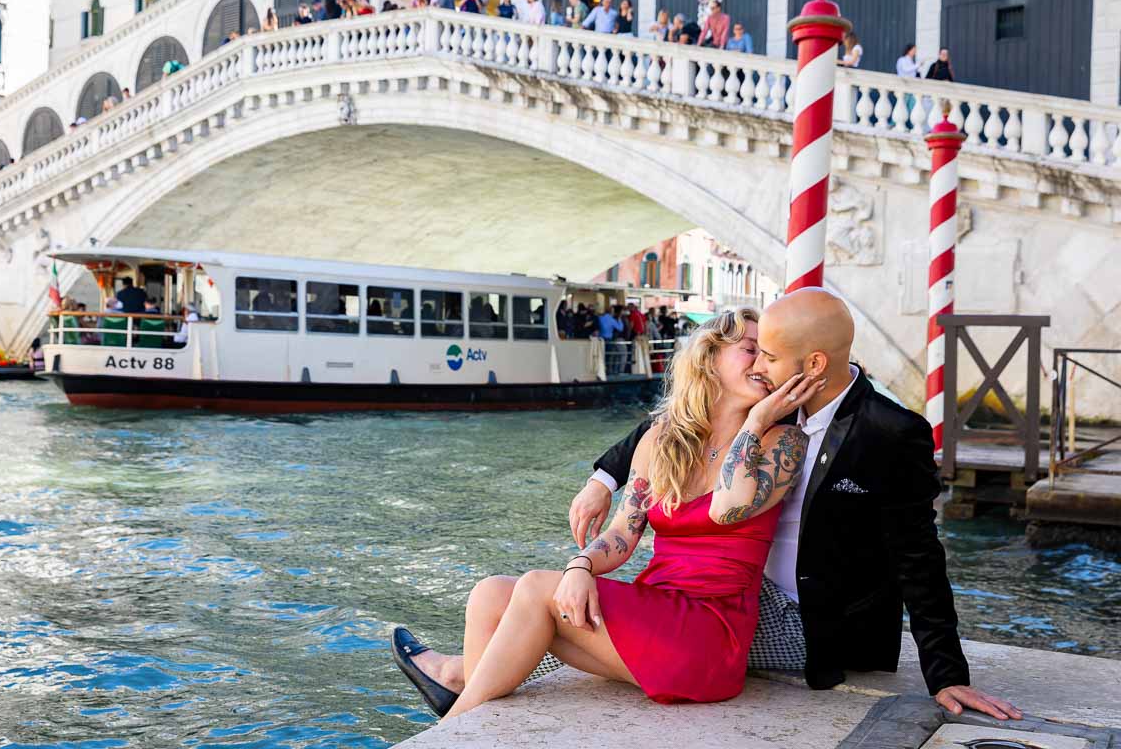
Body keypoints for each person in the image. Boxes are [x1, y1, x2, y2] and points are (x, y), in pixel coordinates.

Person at [565, 289, 1024, 721]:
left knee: (564, 623)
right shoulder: (773, 401)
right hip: (742, 597)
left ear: (815, 363)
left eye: (768, 355)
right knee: (562, 613)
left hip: (819, 625)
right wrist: (604, 478)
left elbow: (919, 554)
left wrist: (946, 676)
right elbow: (681, 421)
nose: (758, 365)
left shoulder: (889, 432)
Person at [391, 310, 821, 718]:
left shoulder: (781, 442)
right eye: (750, 349)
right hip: (658, 613)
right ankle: (471, 703)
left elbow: (731, 505)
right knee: (491, 593)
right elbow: (621, 535)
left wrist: (756, 420)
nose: (763, 362)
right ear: (710, 359)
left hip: (710, 634)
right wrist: (580, 565)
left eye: (768, 353)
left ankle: (457, 723)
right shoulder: (661, 441)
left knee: (539, 588)